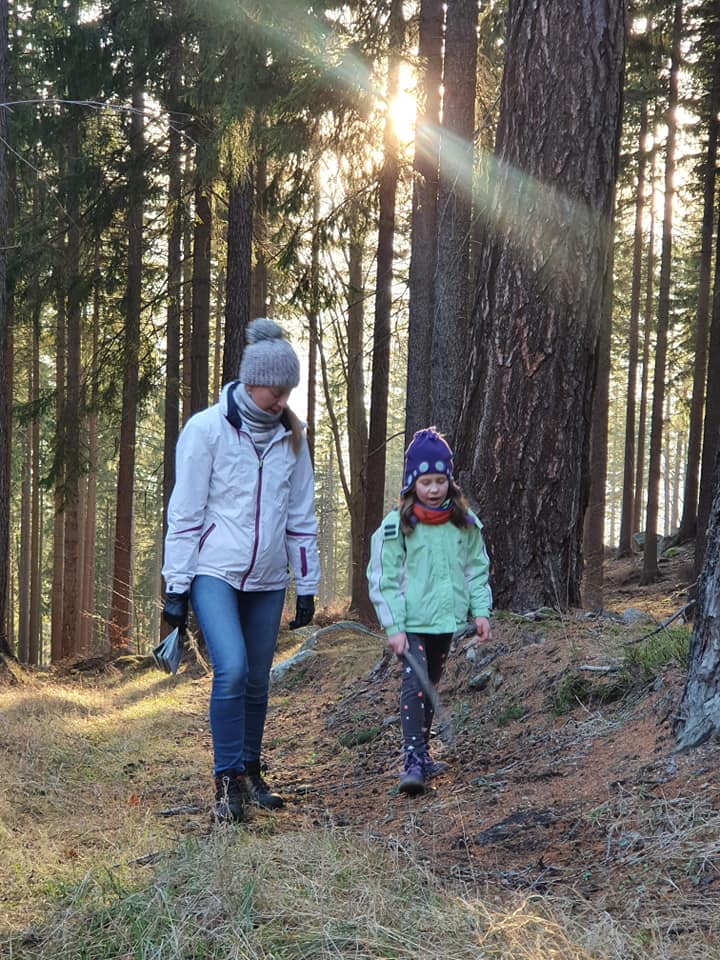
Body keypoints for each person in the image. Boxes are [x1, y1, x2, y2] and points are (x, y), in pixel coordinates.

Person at [162, 318, 320, 823]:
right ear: (252, 382)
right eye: (276, 392)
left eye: (288, 392)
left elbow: (301, 517)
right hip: (215, 572)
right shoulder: (206, 430)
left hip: (269, 579)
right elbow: (185, 516)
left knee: (257, 679)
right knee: (230, 669)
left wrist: (307, 584)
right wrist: (176, 588)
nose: (282, 402)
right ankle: (226, 780)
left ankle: (251, 772)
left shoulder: (293, 438)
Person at [366, 427, 492, 796]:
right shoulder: (397, 526)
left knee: (431, 682)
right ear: (412, 483)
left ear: (450, 480)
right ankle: (412, 760)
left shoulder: (464, 523)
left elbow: (476, 569)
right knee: (416, 682)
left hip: (444, 621)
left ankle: (423, 753)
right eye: (426, 482)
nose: (434, 489)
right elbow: (383, 578)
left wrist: (480, 612)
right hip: (410, 621)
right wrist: (394, 626)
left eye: (440, 481)